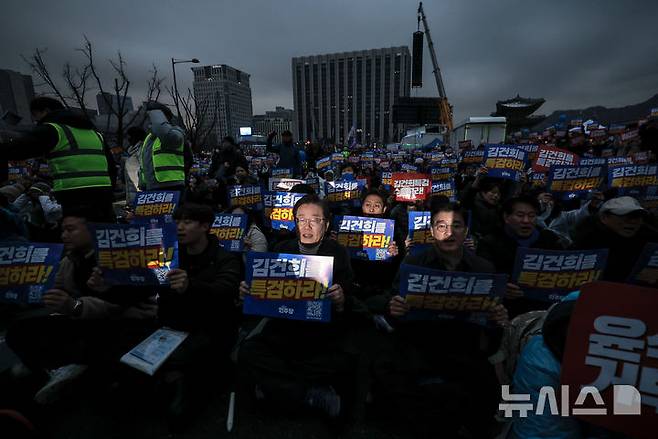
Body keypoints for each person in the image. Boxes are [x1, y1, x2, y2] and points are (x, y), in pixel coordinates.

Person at [370, 201, 509, 438]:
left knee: (483, 397)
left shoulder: (483, 267)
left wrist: (497, 317)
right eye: (441, 226)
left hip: (464, 343)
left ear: (465, 231)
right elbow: (393, 307)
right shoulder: (413, 263)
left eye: (456, 226)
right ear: (432, 230)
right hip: (420, 340)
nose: (449, 232)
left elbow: (490, 321)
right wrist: (394, 307)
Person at [6, 208, 157, 404]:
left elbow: (117, 306)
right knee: (19, 331)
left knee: (104, 344)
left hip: (126, 325)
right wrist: (24, 289)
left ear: (93, 230)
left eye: (70, 230)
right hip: (85, 320)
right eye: (63, 230)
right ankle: (58, 364)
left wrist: (74, 306)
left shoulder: (118, 256)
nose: (64, 235)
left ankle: (77, 366)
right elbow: (54, 287)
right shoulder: (70, 260)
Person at [237, 194, 367, 419]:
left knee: (345, 361)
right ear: (295, 222)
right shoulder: (281, 247)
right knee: (248, 352)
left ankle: (274, 389)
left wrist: (340, 299)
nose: (307, 226)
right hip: (283, 331)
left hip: (322, 335)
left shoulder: (338, 252)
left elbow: (348, 300)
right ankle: (309, 393)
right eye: (301, 219)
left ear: (325, 224)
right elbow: (265, 293)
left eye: (314, 220)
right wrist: (248, 292)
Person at [0, 97, 116, 221]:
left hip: (73, 196)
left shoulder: (52, 130)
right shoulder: (95, 133)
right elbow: (112, 167)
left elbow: (18, 149)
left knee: (77, 234)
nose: (35, 120)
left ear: (46, 111)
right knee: (105, 232)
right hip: (104, 194)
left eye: (35, 115)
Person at [477, 195, 566, 317]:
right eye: (520, 215)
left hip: (544, 311)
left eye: (531, 215)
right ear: (506, 217)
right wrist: (499, 287)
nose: (526, 220)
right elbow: (482, 277)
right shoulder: (490, 242)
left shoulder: (550, 239)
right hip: (506, 311)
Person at [572, 196, 658, 281]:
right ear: (604, 217)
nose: (633, 221)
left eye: (638, 216)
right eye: (626, 216)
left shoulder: (651, 242)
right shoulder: (584, 244)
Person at [138, 102, 186, 194]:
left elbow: (165, 133)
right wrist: (143, 183)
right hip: (151, 187)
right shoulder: (149, 138)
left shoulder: (176, 132)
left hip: (172, 186)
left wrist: (155, 112)